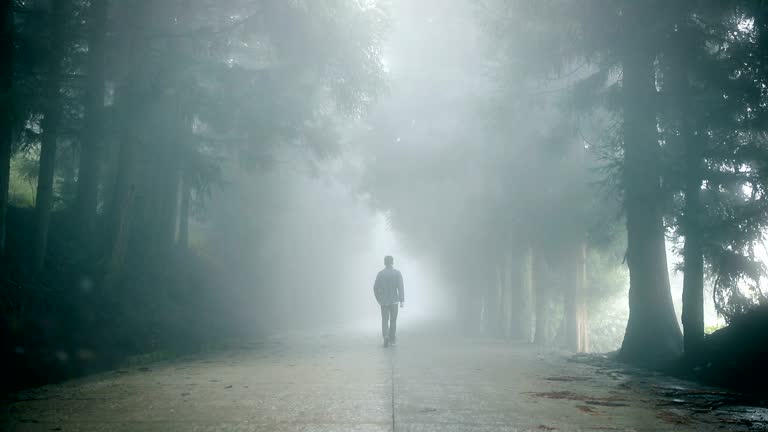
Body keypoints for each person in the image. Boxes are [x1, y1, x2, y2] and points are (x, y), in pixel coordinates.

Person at [373, 255, 404, 347]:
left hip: (384, 302)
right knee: (393, 320)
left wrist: (378, 299)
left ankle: (385, 336)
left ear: (384, 263)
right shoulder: (397, 273)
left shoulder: (380, 274)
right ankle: (392, 340)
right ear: (392, 262)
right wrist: (402, 300)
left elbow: (375, 288)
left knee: (385, 320)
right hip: (394, 301)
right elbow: (400, 287)